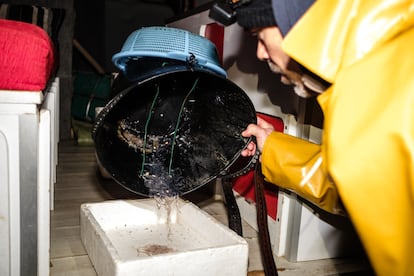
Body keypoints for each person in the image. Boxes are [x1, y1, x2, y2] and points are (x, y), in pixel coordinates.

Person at [228, 0, 414, 275]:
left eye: (259, 34)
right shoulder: (383, 70)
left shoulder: (387, 90)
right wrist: (274, 147)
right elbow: (366, 178)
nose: (260, 53)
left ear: (298, 17)